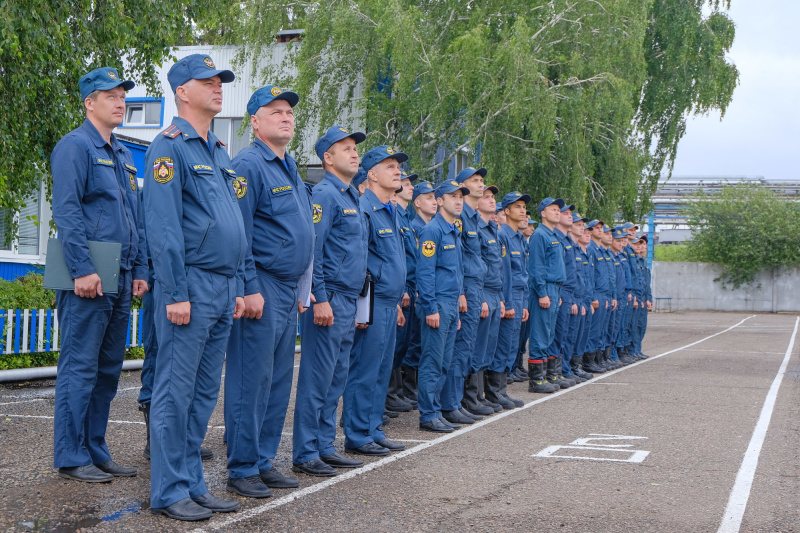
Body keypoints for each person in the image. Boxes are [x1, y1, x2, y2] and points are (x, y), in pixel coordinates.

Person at [144, 54, 246, 520]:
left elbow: (233, 225)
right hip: (191, 286)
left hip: (224, 286)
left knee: (204, 393)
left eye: (220, 81)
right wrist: (177, 292)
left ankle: (192, 481)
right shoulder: (170, 147)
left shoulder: (218, 149)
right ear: (182, 91)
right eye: (207, 82)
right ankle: (168, 490)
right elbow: (164, 229)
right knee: (174, 391)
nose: (218, 87)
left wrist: (240, 285)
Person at [51, 67, 147, 483]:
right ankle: (71, 455)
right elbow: (67, 212)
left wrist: (141, 267)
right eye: (110, 95)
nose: (120, 101)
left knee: (108, 368)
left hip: (121, 272)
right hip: (88, 275)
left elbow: (135, 216)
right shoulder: (75, 146)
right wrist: (82, 269)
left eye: (122, 95)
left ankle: (95, 447)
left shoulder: (122, 153)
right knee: (80, 367)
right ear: (89, 102)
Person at [223, 85, 313, 498]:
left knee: (277, 381)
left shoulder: (288, 165)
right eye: (275, 111)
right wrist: (249, 287)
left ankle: (262, 460)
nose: (286, 117)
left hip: (287, 288)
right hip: (262, 284)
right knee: (250, 380)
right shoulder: (248, 164)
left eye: (289, 112)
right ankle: (242, 466)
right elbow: (238, 232)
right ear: (255, 122)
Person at [292, 126, 368, 477]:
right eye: (346, 148)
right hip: (330, 298)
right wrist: (319, 297)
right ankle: (306, 451)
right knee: (317, 379)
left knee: (335, 378)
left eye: (355, 148)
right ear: (328, 158)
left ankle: (324, 445)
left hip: (348, 300)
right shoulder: (324, 194)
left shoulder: (349, 195)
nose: (354, 153)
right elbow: (314, 251)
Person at [342, 145, 409, 456]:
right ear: (372, 174)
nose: (398, 171)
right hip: (371, 300)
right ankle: (357, 433)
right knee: (364, 368)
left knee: (382, 370)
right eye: (391, 166)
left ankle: (372, 428)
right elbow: (361, 259)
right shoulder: (365, 208)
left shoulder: (390, 209)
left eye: (398, 166)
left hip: (388, 301)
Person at [415, 180, 469, 432]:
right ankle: (428, 414)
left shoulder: (452, 229)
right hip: (437, 303)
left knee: (445, 362)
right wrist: (430, 307)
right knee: (432, 361)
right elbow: (424, 272)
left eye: (461, 197)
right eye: (453, 196)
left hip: (450, 304)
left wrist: (457, 302)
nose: (459, 201)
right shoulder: (433, 230)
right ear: (439, 201)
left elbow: (455, 271)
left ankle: (435, 410)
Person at [441, 168, 489, 425]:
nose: (480, 185)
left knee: (467, 347)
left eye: (481, 181)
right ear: (461, 186)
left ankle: (458, 400)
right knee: (459, 349)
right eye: (475, 181)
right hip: (465, 287)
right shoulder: (461, 219)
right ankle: (450, 403)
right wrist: (461, 292)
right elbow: (456, 260)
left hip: (476, 286)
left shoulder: (474, 218)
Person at [463, 185, 504, 416]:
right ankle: (470, 396)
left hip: (493, 292)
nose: (491, 200)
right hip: (482, 291)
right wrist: (483, 298)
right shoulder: (476, 227)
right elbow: (477, 265)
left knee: (487, 346)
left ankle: (479, 395)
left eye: (492, 197)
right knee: (475, 346)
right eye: (486, 197)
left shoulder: (492, 229)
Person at [486, 192, 530, 406]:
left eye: (523, 207)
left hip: (520, 295)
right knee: (503, 344)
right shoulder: (503, 235)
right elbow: (504, 273)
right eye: (517, 206)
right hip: (509, 295)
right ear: (506, 211)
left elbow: (523, 273)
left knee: (511, 344)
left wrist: (525, 303)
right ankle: (494, 392)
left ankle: (501, 390)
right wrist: (509, 303)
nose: (522, 210)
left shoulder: (519, 238)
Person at [400, 181, 438, 404]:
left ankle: (408, 388)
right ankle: (402, 388)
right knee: (410, 342)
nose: (434, 202)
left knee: (416, 342)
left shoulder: (429, 228)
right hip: (411, 289)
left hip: (419, 290)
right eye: (429, 197)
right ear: (418, 203)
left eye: (435, 198)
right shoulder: (414, 227)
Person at [386, 170, 418, 413]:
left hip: (406, 288)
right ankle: (389, 395)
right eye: (405, 183)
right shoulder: (396, 214)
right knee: (392, 346)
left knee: (401, 345)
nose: (409, 187)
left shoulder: (405, 218)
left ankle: (395, 392)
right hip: (393, 291)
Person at [526, 197, 566, 393]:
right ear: (543, 213)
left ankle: (544, 376)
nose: (557, 212)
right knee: (540, 334)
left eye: (559, 209)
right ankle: (536, 380)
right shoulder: (540, 235)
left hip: (554, 288)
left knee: (549, 334)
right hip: (545, 288)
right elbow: (536, 267)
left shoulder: (553, 235)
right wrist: (542, 293)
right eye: (553, 209)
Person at [549, 202, 582, 385]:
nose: (570, 216)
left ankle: (561, 370)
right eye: (566, 213)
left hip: (569, 293)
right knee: (555, 334)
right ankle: (553, 373)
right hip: (559, 291)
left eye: (571, 213)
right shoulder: (556, 239)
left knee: (564, 334)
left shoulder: (567, 241)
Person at [567, 213, 594, 380]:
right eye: (578, 224)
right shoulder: (569, 247)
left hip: (582, 298)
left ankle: (574, 367)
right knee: (567, 336)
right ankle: (565, 370)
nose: (582, 228)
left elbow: (586, 279)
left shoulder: (581, 250)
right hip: (571, 297)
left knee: (579, 335)